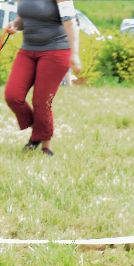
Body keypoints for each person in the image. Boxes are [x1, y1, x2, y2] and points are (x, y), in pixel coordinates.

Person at [3, 0, 82, 156]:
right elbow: (24, 18)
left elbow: (70, 22)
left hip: (56, 50)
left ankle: (45, 147)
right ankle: (39, 132)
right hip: (27, 50)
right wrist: (15, 24)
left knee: (41, 101)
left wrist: (75, 54)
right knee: (12, 95)